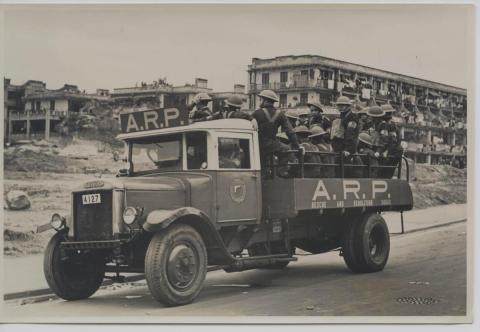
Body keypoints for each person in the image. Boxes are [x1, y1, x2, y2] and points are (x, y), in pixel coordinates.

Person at [251, 90, 300, 177]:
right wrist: (296, 146)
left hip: (258, 145)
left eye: (260, 99)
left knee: (262, 162)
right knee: (287, 150)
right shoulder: (280, 114)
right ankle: (281, 172)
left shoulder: (257, 113)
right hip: (273, 144)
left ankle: (264, 174)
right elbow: (290, 132)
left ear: (265, 100)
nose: (259, 101)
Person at [330, 95, 362, 177]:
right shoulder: (342, 116)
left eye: (342, 105)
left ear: (348, 106)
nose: (340, 107)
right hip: (339, 148)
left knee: (343, 170)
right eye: (339, 105)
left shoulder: (352, 118)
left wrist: (348, 149)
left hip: (347, 149)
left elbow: (350, 134)